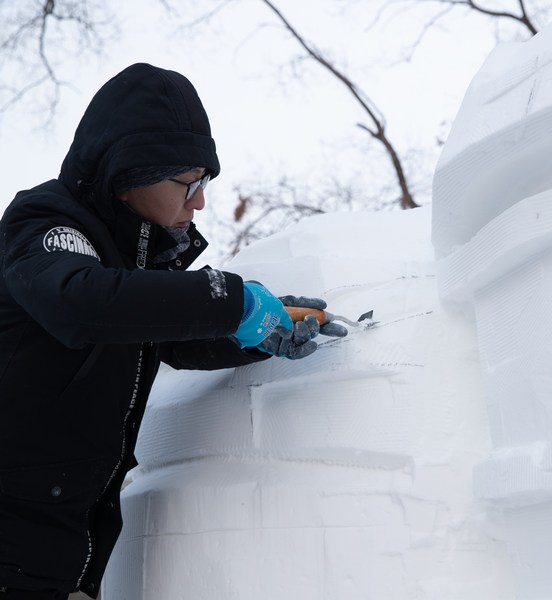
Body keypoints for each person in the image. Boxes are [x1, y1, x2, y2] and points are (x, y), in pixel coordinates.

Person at [0, 63, 347, 599]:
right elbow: (83, 303)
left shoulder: (140, 262)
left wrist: (255, 333)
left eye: (205, 183)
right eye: (188, 183)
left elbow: (166, 335)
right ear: (131, 172)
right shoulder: (46, 224)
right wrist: (231, 301)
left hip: (65, 555)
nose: (201, 202)